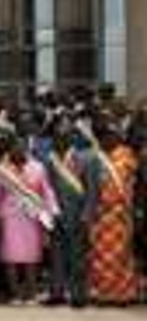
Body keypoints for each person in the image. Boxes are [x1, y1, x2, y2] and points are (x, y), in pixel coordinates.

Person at [0, 137, 59, 304]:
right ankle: (15, 294)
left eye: (21, 148)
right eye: (14, 148)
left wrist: (51, 212)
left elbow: (46, 191)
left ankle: (31, 294)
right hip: (10, 217)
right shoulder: (0, 169)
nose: (18, 152)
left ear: (27, 150)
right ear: (10, 151)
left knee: (32, 257)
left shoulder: (38, 168)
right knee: (10, 257)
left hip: (32, 216)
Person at [84, 121, 139, 306]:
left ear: (117, 137)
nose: (107, 140)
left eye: (111, 137)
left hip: (121, 212)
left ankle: (123, 294)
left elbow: (134, 185)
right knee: (101, 255)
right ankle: (103, 294)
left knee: (121, 255)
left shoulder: (127, 156)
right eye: (103, 138)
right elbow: (91, 188)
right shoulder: (96, 158)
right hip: (101, 214)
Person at [44, 120, 91, 307]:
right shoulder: (48, 160)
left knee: (77, 257)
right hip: (56, 215)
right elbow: (45, 189)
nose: (59, 141)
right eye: (56, 137)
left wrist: (86, 215)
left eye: (64, 137)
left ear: (71, 139)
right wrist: (48, 214)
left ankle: (78, 294)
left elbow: (92, 190)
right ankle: (57, 292)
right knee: (56, 257)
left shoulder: (84, 159)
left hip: (77, 215)